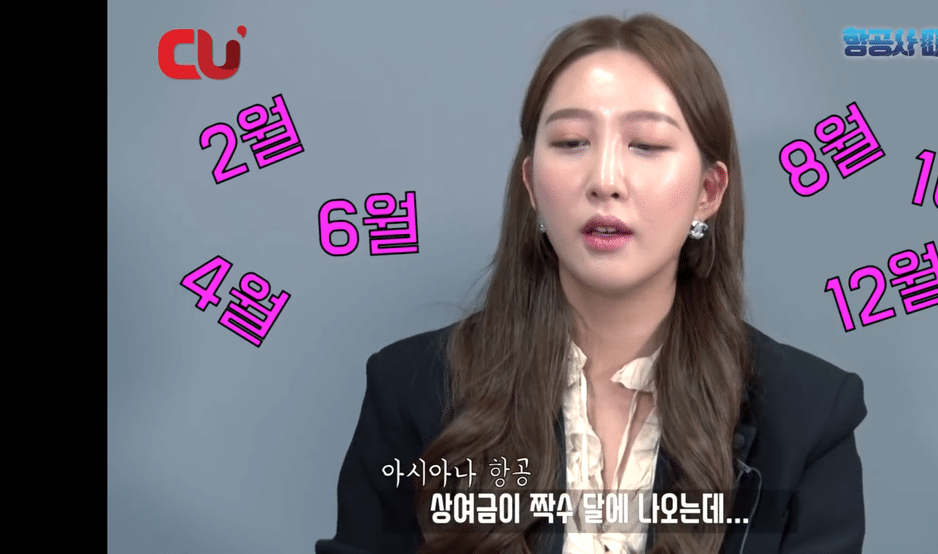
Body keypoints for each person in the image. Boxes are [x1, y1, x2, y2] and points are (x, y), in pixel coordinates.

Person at [315, 13, 867, 554]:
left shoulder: (808, 415)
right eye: (572, 141)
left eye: (646, 144)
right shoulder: (411, 389)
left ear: (708, 191)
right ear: (532, 184)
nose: (605, 180)